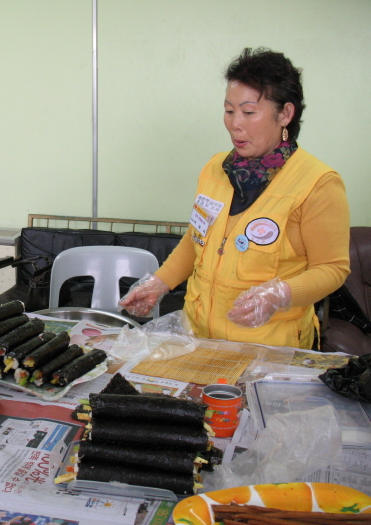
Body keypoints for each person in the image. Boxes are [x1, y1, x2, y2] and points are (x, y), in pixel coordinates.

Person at [120, 47, 350, 349]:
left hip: (269, 348)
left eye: (249, 112)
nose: (234, 124)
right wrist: (160, 282)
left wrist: (280, 293)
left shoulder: (318, 183)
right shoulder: (216, 168)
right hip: (199, 338)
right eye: (229, 111)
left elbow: (332, 269)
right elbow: (197, 238)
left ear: (285, 113)